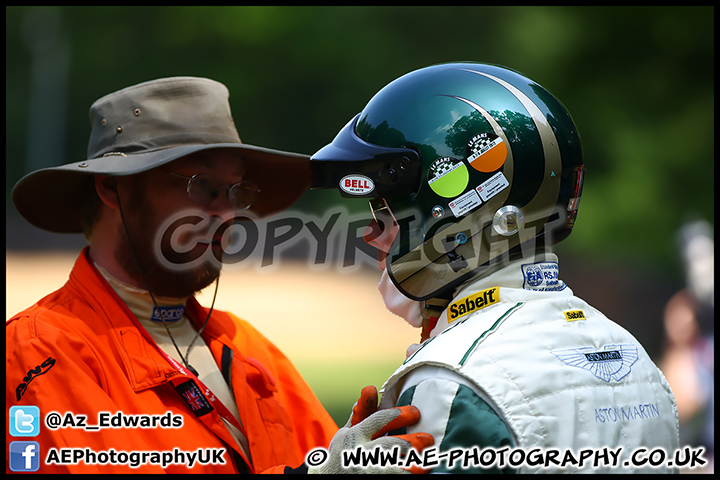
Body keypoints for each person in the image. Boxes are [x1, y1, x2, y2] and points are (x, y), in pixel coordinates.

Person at [6, 76, 430, 473]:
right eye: (201, 185)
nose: (226, 213)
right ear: (111, 188)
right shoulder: (37, 351)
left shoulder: (247, 347)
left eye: (236, 192)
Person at [309, 62, 681, 473]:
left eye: (383, 215)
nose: (372, 236)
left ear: (459, 216)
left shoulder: (451, 380)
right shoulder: (639, 361)